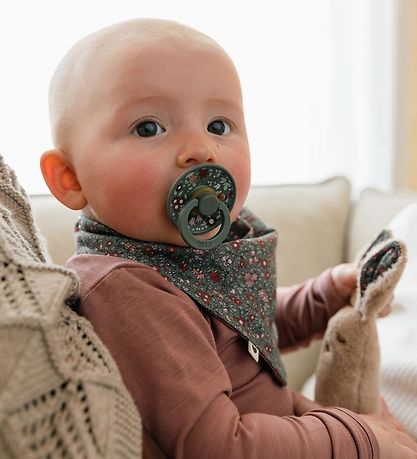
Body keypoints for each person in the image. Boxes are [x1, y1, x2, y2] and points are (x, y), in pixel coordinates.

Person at [40, 18, 417, 458]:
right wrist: (360, 437)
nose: (201, 149)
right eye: (148, 128)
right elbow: (217, 445)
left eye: (218, 125)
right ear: (70, 178)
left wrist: (323, 295)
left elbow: (240, 329)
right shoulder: (125, 288)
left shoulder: (179, 261)